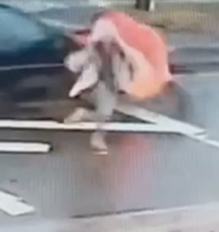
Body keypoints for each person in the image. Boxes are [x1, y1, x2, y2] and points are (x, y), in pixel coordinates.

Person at [64, 9, 173, 154]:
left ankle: (84, 115)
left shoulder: (123, 51)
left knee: (108, 114)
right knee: (105, 112)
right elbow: (74, 62)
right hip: (101, 85)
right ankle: (97, 139)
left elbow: (138, 63)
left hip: (116, 85)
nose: (107, 42)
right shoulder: (94, 50)